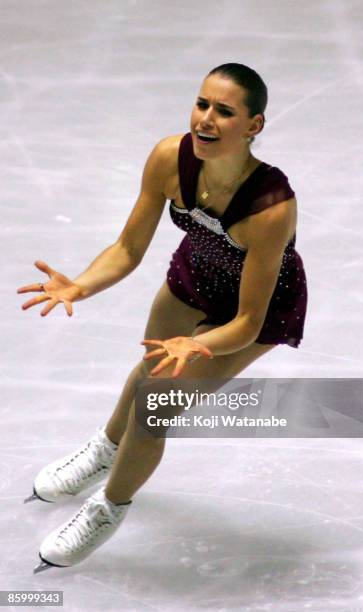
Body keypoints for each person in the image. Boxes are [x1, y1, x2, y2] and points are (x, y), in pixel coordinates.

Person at [17, 63, 307, 572]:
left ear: (254, 126)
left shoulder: (271, 207)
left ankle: (109, 507)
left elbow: (248, 321)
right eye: (202, 104)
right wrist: (82, 283)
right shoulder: (169, 157)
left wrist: (202, 345)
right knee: (148, 372)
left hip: (253, 310)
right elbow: (129, 248)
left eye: (225, 111)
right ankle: (106, 449)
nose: (206, 119)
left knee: (156, 406)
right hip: (193, 276)